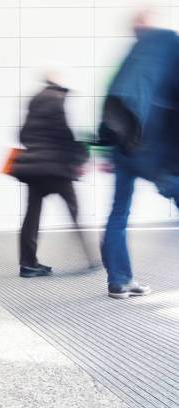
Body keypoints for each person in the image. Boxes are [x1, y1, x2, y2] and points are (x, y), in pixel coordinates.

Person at [99, 9, 179, 299]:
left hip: (124, 149)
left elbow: (110, 99)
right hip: (154, 150)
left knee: (118, 213)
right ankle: (121, 279)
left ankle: (119, 280)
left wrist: (109, 151)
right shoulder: (171, 43)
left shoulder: (130, 55)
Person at [11, 70, 95, 278]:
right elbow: (65, 135)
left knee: (32, 215)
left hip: (35, 169)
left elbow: (22, 134)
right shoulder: (58, 99)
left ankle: (28, 263)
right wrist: (80, 159)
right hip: (57, 169)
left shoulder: (34, 100)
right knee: (74, 211)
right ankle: (90, 258)